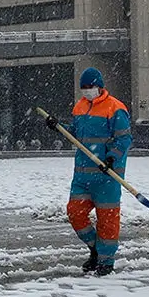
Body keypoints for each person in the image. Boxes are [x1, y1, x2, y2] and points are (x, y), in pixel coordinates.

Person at [44, 67, 132, 276]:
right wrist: (59, 126)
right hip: (82, 176)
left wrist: (111, 157)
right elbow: (75, 133)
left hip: (107, 176)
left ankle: (106, 261)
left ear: (99, 86)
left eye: (89, 87)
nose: (86, 91)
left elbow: (124, 139)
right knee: (75, 213)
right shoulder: (80, 107)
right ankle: (95, 249)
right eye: (83, 88)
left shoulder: (115, 108)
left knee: (108, 220)